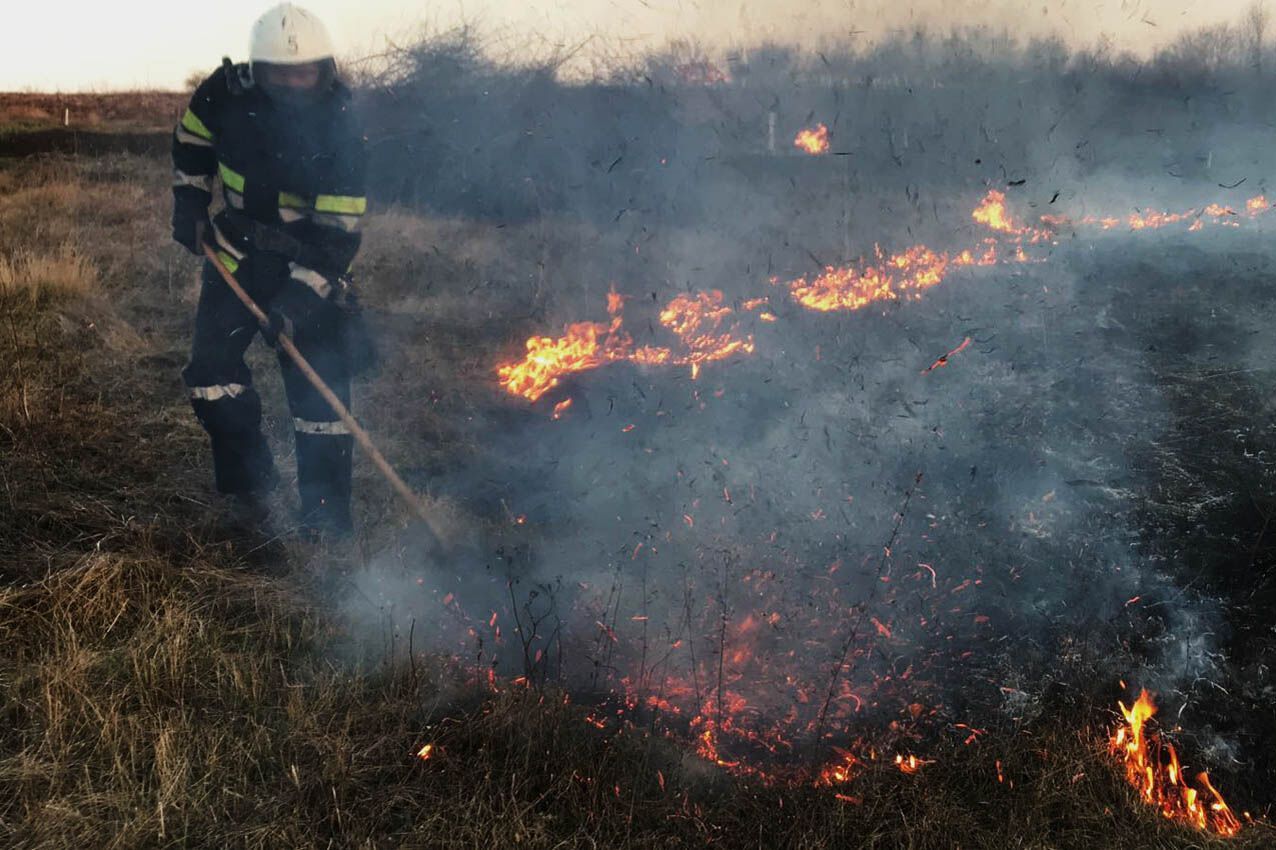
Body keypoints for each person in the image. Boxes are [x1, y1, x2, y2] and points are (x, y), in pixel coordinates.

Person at [171, 3, 369, 538]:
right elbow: (192, 143)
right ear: (257, 69)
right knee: (211, 379)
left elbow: (337, 237)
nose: (291, 82)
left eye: (302, 71)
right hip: (233, 257)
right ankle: (251, 493)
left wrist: (298, 305)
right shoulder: (224, 93)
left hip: (309, 271)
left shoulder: (344, 128)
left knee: (319, 400)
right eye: (278, 72)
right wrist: (189, 202)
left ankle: (325, 523)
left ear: (324, 68)